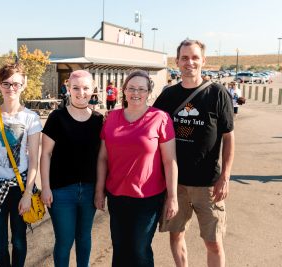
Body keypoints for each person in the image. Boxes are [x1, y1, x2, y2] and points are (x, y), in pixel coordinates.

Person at [154, 39, 235, 267]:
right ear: (177, 62)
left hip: (209, 184)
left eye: (195, 57)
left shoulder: (217, 93)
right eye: (185, 58)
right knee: (176, 234)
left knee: (214, 242)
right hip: (175, 185)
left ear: (203, 61)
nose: (190, 62)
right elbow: (149, 127)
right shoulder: (168, 96)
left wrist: (225, 177)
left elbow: (228, 137)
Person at [95, 70, 178, 267]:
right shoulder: (111, 119)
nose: (136, 93)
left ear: (149, 92)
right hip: (117, 195)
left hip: (148, 198)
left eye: (141, 89)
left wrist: (172, 197)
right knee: (120, 247)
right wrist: (99, 191)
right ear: (123, 91)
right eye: (131, 88)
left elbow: (170, 161)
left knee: (140, 249)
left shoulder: (161, 118)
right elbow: (102, 158)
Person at [40, 70, 103, 267]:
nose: (81, 92)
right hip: (61, 191)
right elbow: (45, 154)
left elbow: (103, 158)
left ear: (92, 89)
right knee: (64, 241)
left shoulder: (99, 120)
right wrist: (46, 187)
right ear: (68, 89)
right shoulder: (57, 118)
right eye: (76, 88)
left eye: (85, 88)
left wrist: (100, 190)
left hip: (89, 191)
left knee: (84, 239)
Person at [0, 63, 42, 266]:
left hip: (19, 186)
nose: (11, 88)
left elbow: (34, 158)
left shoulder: (31, 118)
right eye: (6, 83)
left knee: (18, 240)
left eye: (16, 84)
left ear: (23, 85)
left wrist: (27, 195)